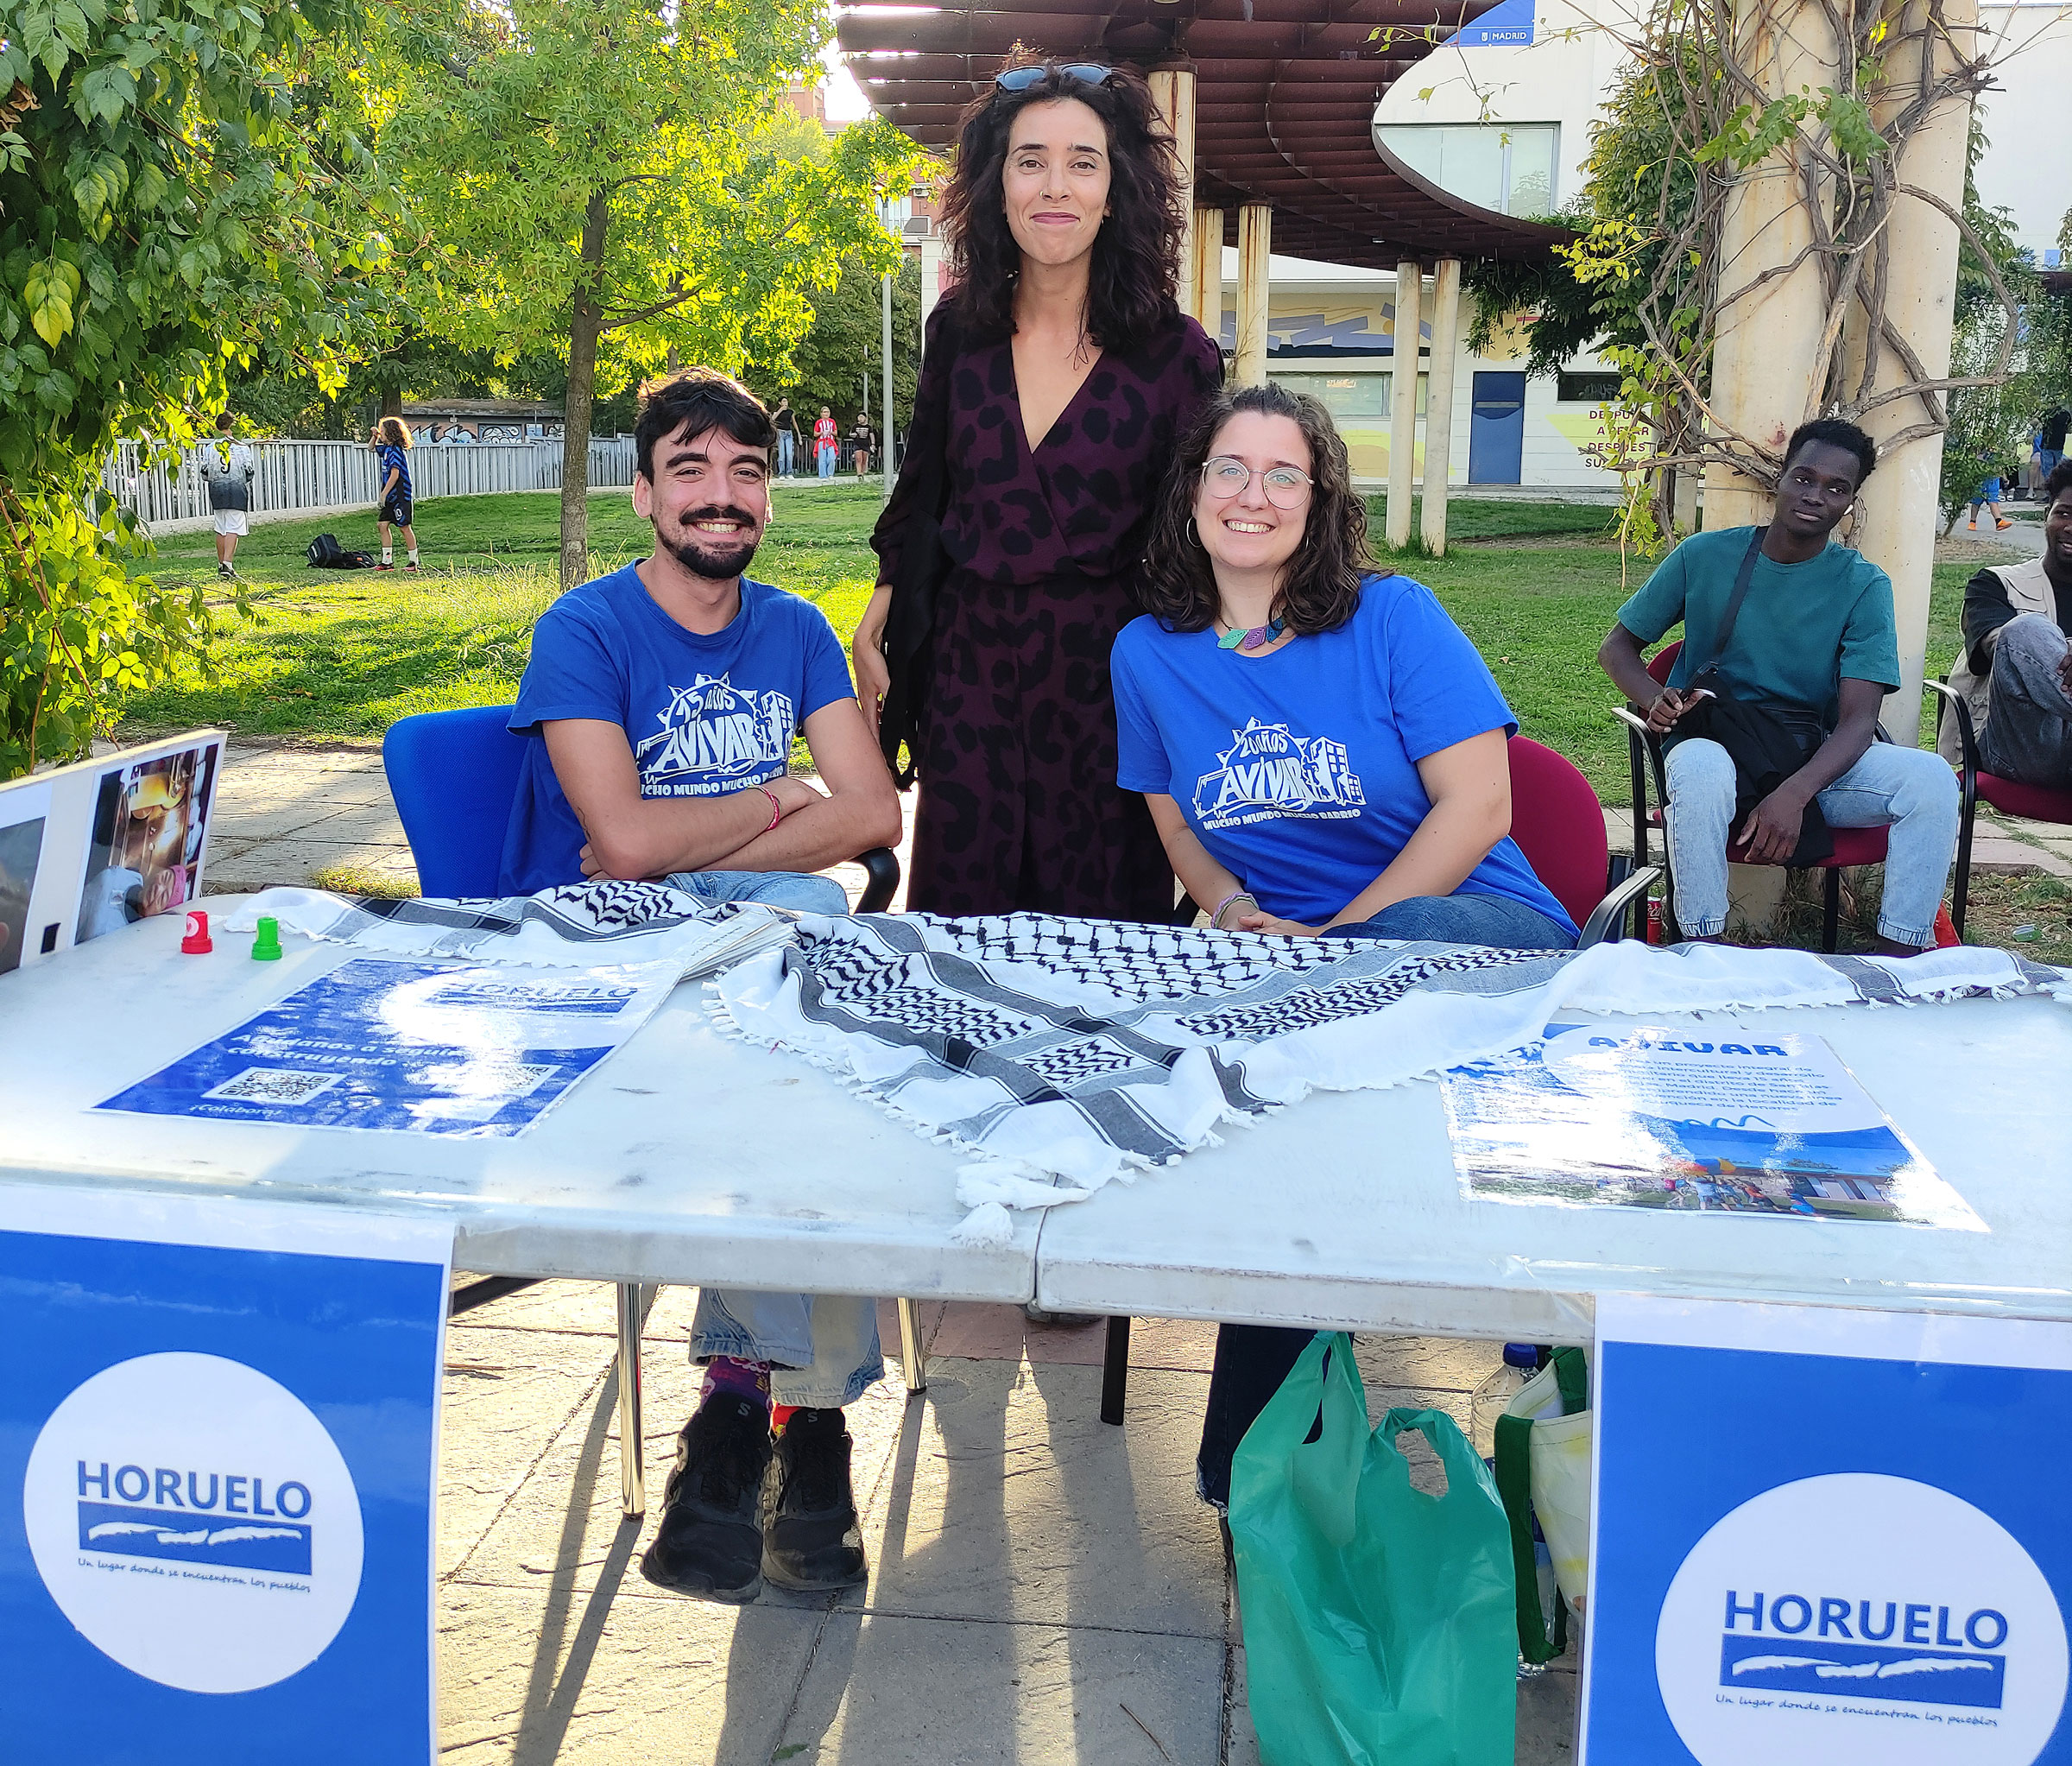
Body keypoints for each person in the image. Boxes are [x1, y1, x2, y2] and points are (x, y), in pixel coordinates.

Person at [1112, 381, 1577, 1506]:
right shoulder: (1150, 653)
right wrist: (1231, 910)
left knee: (1308, 1058)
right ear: (1192, 493)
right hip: (1298, 971)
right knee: (1268, 1101)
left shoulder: (1395, 618)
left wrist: (1340, 942)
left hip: (1475, 936)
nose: (1254, 495)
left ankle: (1258, 1461)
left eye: (1285, 474)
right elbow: (1174, 817)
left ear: (1319, 503)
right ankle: (1265, 1469)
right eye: (1230, 468)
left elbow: (1480, 811)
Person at [500, 366, 904, 1605]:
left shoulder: (793, 628)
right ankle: (812, 1426)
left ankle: (737, 1413)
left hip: (764, 941)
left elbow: (877, 810)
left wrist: (704, 830)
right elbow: (620, 856)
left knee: (811, 1053)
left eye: (745, 473)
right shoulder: (584, 630)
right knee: (793, 1063)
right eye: (691, 470)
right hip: (629, 956)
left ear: (768, 498)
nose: (721, 498)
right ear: (643, 494)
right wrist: (787, 801)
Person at [858, 56, 1223, 919]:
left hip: (1112, 683)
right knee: (958, 935)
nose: (1054, 186)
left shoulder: (1178, 355)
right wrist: (883, 598)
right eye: (1030, 161)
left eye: (1082, 162)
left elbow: (1200, 544)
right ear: (996, 184)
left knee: (1102, 948)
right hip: (971, 671)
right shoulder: (958, 331)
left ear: (1116, 188)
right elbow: (924, 488)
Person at [1597, 416, 1959, 956]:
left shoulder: (1862, 584)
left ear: (1851, 502)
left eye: (1837, 489)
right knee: (1698, 767)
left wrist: (1793, 794)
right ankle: (1701, 951)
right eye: (1804, 478)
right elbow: (1617, 649)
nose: (1816, 496)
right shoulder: (1704, 557)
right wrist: (1656, 700)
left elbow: (1859, 719)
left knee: (1931, 779)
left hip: (1805, 757)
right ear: (1781, 478)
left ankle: (1900, 958)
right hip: (1715, 744)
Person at [1940, 460, 2072, 785]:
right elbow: (2000, 644)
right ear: (2047, 517)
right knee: (2025, 630)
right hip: (2020, 747)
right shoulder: (1996, 583)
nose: (2071, 526)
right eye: (2064, 513)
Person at [203, 413, 256, 579]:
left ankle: (220, 564)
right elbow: (249, 472)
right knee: (234, 527)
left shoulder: (210, 448)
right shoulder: (242, 448)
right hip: (236, 491)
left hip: (217, 490)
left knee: (221, 527)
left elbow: (205, 473)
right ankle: (228, 564)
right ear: (233, 426)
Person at [372, 417, 420, 570]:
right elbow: (371, 448)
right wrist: (374, 437)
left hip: (400, 495)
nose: (381, 434)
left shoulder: (395, 452)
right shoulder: (386, 449)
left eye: (383, 431)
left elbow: (395, 475)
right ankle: (387, 561)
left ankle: (414, 562)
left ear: (390, 433)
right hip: (390, 496)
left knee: (404, 527)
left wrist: (383, 494)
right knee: (382, 524)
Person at [1970, 465, 2013, 532]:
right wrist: (2005, 479)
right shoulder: (1995, 455)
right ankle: (1998, 521)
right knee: (1990, 501)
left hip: (1984, 477)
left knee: (1980, 501)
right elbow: (1999, 466)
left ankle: (1973, 522)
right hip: (1990, 478)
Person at [773, 396, 798, 478]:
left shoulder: (790, 412)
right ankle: (782, 473)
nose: (785, 403)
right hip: (780, 433)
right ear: (780, 403)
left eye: (786, 401)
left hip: (789, 433)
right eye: (783, 401)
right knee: (782, 455)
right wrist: (781, 410)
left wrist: (799, 434)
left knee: (789, 454)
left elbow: (794, 423)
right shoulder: (777, 412)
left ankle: (789, 472)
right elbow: (772, 419)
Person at [812, 405, 838, 479]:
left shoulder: (832, 421)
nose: (826, 414)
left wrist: (831, 432)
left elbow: (836, 432)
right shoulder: (818, 422)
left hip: (830, 441)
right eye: (824, 412)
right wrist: (821, 433)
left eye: (827, 412)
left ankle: (830, 474)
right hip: (822, 441)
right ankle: (823, 475)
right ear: (821, 414)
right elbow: (815, 434)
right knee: (822, 459)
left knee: (831, 458)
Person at [849, 412, 874, 477]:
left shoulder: (868, 427)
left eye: (862, 417)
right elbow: (850, 433)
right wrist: (853, 435)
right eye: (859, 417)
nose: (860, 418)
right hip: (857, 443)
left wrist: (873, 444)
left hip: (866, 444)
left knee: (864, 459)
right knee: (858, 458)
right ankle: (859, 472)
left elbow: (871, 435)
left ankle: (863, 472)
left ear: (865, 418)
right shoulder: (855, 426)